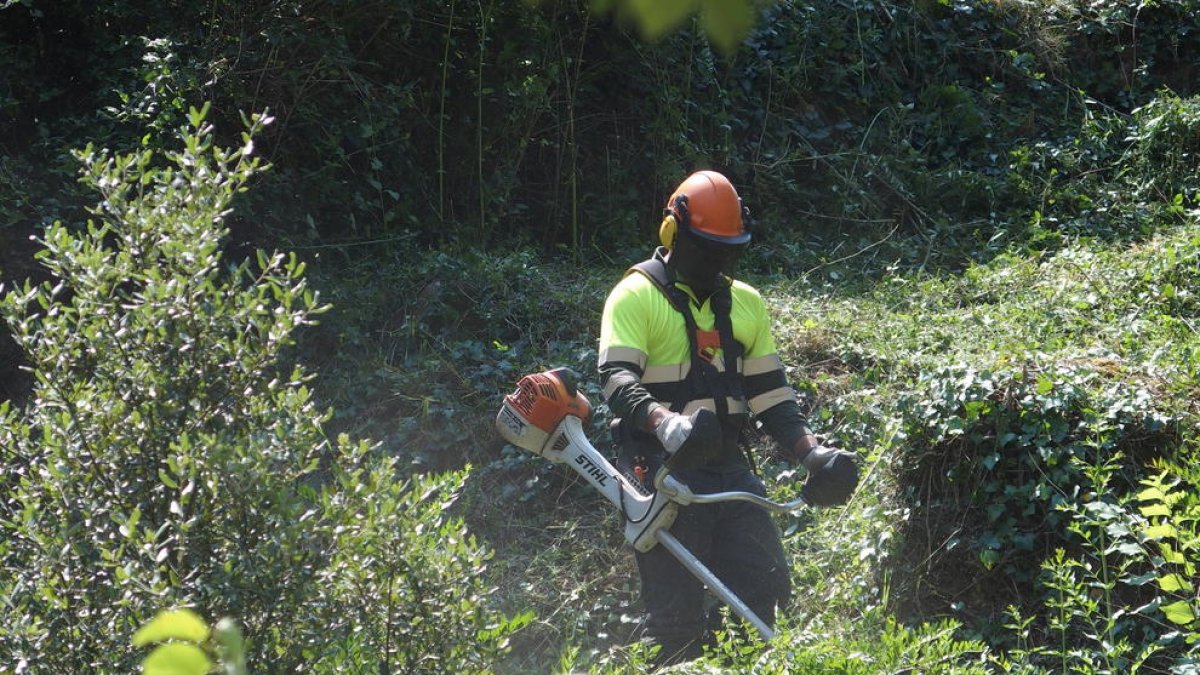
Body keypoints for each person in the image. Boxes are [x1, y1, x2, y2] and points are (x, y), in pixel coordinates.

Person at [597, 170, 858, 664]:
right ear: (673, 233)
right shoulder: (634, 296)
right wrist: (664, 423)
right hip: (659, 470)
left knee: (762, 589)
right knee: (676, 620)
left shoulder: (746, 304)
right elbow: (616, 378)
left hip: (728, 466)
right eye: (708, 248)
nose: (719, 260)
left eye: (729, 249)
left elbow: (771, 395)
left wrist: (812, 454)